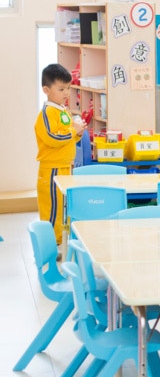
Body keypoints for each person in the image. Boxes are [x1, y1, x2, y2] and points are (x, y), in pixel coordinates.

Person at [36, 64, 86, 243]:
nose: (66, 93)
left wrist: (78, 133)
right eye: (61, 89)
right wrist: (73, 131)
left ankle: (62, 240)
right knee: (52, 207)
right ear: (46, 90)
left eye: (68, 88)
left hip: (65, 165)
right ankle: (51, 243)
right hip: (52, 169)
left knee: (64, 205)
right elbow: (53, 137)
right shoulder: (47, 113)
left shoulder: (63, 110)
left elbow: (68, 137)